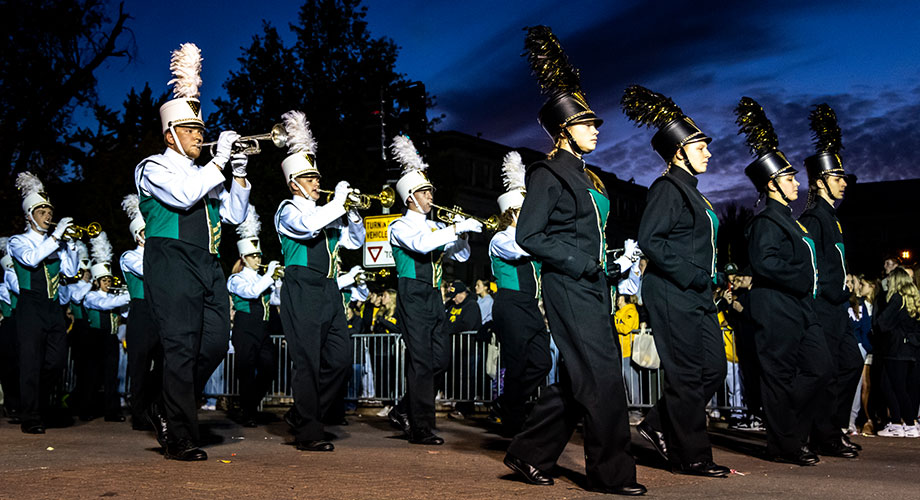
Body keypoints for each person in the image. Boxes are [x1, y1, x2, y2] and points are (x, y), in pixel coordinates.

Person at [503, 26, 644, 496]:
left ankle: (528, 453)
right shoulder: (547, 174)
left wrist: (607, 262)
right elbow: (528, 235)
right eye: (588, 124)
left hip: (593, 285)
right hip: (568, 285)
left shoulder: (590, 177)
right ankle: (611, 475)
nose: (596, 130)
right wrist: (581, 262)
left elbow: (589, 233)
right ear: (564, 130)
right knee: (604, 380)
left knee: (576, 381)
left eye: (596, 124)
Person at [134, 43, 251, 460]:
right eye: (192, 131)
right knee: (182, 346)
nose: (201, 135)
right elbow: (184, 196)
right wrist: (219, 162)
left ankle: (159, 398)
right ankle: (179, 432)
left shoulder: (209, 171)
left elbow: (235, 214)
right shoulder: (153, 167)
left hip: (208, 263)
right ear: (170, 135)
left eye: (202, 130)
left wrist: (237, 171)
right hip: (171, 260)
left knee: (216, 343)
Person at [623, 85, 729, 477]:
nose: (709, 153)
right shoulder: (667, 188)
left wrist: (710, 277)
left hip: (697, 294)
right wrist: (691, 274)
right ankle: (693, 456)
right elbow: (651, 239)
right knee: (686, 376)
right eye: (701, 147)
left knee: (713, 369)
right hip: (672, 292)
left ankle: (656, 423)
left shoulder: (696, 194)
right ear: (679, 150)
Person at [736, 97, 831, 465]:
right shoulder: (765, 222)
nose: (796, 183)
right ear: (773, 185)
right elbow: (765, 262)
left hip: (800, 307)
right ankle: (785, 444)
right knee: (778, 377)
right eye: (789, 178)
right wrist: (806, 277)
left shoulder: (791, 220)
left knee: (819, 369)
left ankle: (789, 429)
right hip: (776, 307)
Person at [274, 110, 364, 452]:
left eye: (317, 178)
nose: (317, 183)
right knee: (307, 362)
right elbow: (306, 226)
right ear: (295, 183)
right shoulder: (288, 209)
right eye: (310, 179)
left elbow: (354, 242)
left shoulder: (326, 213)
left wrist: (353, 213)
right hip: (301, 286)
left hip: (329, 289)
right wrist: (338, 202)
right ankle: (309, 431)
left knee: (340, 360)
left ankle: (303, 413)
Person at [387, 134, 481, 445]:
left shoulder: (435, 228)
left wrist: (463, 235)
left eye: (430, 190)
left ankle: (402, 409)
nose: (431, 195)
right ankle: (420, 426)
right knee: (422, 362)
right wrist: (453, 229)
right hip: (412, 293)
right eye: (425, 191)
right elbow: (420, 245)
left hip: (433, 297)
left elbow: (462, 256)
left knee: (441, 360)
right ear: (410, 196)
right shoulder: (399, 226)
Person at [798, 104, 861, 457]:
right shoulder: (813, 217)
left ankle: (830, 429)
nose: (843, 184)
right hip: (823, 307)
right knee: (829, 371)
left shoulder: (833, 218)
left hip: (838, 306)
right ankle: (823, 434)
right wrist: (827, 289)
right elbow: (812, 265)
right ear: (821, 181)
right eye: (838, 178)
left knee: (849, 365)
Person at [9, 172, 80, 434]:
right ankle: (30, 415)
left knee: (56, 361)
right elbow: (31, 260)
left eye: (49, 211)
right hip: (29, 305)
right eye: (42, 212)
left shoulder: (57, 243)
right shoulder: (19, 241)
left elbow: (71, 272)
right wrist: (56, 238)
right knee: (30, 361)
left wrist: (71, 245)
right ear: (30, 216)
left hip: (53, 307)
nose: (48, 216)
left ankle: (39, 403)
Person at [488, 151, 550, 437]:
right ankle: (512, 420)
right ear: (511, 212)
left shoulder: (529, 239)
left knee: (542, 362)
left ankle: (506, 403)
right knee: (516, 363)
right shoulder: (500, 238)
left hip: (529, 306)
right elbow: (518, 249)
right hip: (510, 304)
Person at [226, 208, 279, 427]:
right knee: (246, 371)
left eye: (258, 255)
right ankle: (247, 411)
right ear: (244, 258)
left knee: (270, 369)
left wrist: (280, 283)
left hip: (263, 328)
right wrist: (268, 276)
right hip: (245, 327)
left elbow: (276, 301)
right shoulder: (236, 279)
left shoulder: (263, 277)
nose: (257, 259)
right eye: (253, 256)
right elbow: (252, 292)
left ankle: (247, 407)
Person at [118, 194, 163, 433]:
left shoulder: (158, 256)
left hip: (158, 312)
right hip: (141, 311)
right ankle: (138, 414)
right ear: (138, 235)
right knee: (140, 365)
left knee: (163, 362)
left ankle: (154, 408)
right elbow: (149, 271)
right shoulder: (129, 256)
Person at [82, 233, 131, 423]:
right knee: (92, 375)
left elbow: (124, 313)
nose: (108, 283)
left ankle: (112, 411)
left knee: (112, 376)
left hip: (110, 338)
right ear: (96, 282)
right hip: (95, 338)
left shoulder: (112, 297)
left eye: (109, 280)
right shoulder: (91, 296)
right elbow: (105, 305)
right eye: (104, 280)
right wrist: (130, 296)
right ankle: (88, 409)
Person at [873, 267, 920, 438]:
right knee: (895, 386)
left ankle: (907, 424)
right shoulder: (913, 299)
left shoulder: (896, 298)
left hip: (896, 349)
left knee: (895, 387)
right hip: (910, 349)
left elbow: (882, 323)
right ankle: (900, 423)